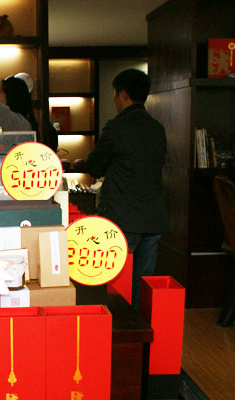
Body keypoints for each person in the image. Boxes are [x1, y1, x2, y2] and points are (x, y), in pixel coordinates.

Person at [86, 68, 169, 310]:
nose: (114, 99)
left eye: (114, 93)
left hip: (123, 218)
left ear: (123, 94)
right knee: (142, 286)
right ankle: (138, 330)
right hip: (153, 218)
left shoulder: (117, 127)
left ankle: (118, 329)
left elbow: (93, 166)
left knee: (117, 287)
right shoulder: (157, 128)